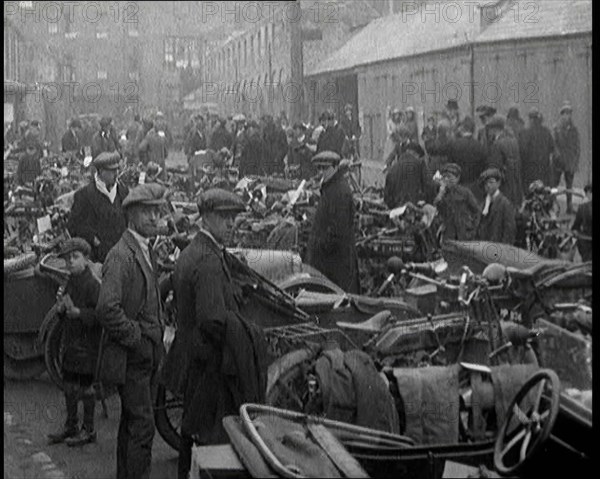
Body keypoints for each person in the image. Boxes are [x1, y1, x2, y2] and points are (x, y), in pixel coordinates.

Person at [161, 188, 268, 479]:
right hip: (209, 361)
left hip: (192, 354)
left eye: (233, 218)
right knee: (209, 437)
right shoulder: (208, 260)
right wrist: (247, 333)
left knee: (191, 428)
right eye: (224, 217)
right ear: (206, 218)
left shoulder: (193, 251)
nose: (231, 224)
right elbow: (212, 320)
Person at [95, 183, 167, 479]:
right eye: (146, 212)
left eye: (157, 211)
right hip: (133, 357)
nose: (154, 217)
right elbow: (105, 308)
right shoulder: (121, 255)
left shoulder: (144, 248)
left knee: (131, 423)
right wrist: (136, 336)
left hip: (144, 355)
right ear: (130, 216)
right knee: (142, 428)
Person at [47, 238, 102, 447]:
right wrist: (62, 309)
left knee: (86, 389)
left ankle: (89, 430)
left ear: (86, 259)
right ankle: (71, 425)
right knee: (69, 386)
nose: (70, 262)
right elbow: (64, 310)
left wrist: (80, 313)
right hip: (72, 343)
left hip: (87, 347)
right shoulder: (71, 282)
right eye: (67, 258)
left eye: (75, 257)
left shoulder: (92, 284)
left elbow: (100, 315)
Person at [307, 151, 360, 293]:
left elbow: (338, 230)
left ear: (336, 167)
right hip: (329, 261)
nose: (322, 172)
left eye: (326, 168)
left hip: (335, 263)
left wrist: (321, 246)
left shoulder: (340, 192)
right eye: (319, 168)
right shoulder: (330, 188)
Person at [67, 151, 129, 263]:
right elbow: (73, 226)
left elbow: (130, 221)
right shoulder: (84, 196)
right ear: (101, 171)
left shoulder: (123, 192)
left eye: (117, 170)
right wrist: (94, 239)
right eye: (112, 171)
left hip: (123, 256)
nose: (116, 174)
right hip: (98, 260)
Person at [433, 163, 480, 241]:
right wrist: (441, 192)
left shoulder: (465, 192)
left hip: (464, 232)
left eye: (449, 177)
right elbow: (436, 207)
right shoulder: (442, 194)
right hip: (449, 233)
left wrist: (473, 229)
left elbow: (476, 211)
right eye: (444, 177)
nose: (446, 179)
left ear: (457, 178)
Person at [384, 136, 433, 209]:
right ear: (415, 154)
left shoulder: (392, 169)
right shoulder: (419, 165)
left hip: (396, 211)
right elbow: (429, 186)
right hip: (414, 209)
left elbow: (387, 198)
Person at [446, 116, 487, 201]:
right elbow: (484, 169)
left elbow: (449, 168)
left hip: (458, 188)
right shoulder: (480, 146)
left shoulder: (454, 145)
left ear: (462, 129)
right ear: (473, 130)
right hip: (476, 189)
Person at [486, 115, 523, 208]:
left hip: (504, 188)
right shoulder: (514, 141)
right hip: (515, 187)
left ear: (495, 129)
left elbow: (494, 170)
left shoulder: (497, 144)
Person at [552, 102, 581, 213]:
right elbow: (553, 144)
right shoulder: (556, 128)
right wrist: (557, 155)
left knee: (569, 186)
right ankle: (553, 204)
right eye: (565, 113)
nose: (567, 116)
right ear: (561, 114)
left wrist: (575, 160)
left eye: (569, 113)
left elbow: (577, 146)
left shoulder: (574, 129)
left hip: (569, 161)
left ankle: (569, 205)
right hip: (558, 162)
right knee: (554, 185)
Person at [518, 107, 555, 190]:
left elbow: (522, 151)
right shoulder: (546, 132)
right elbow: (552, 148)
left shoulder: (524, 133)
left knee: (530, 194)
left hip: (529, 170)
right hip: (543, 170)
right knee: (543, 193)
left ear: (530, 119)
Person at [477, 168, 516, 244]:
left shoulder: (505, 204)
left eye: (491, 182)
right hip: (483, 249)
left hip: (498, 250)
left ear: (498, 183)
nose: (488, 185)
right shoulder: (483, 205)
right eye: (486, 183)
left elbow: (509, 231)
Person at [571, 183, 592, 261]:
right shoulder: (583, 207)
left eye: (587, 193)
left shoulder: (582, 207)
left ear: (589, 192)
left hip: (586, 243)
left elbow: (575, 226)